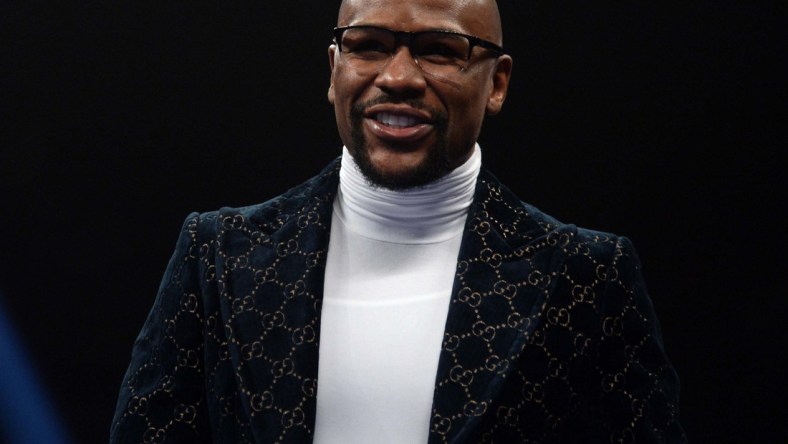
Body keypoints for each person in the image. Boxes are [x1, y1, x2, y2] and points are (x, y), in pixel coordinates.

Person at [111, 0, 686, 442]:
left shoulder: (588, 274)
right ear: (334, 69)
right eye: (368, 45)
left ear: (498, 83)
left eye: (440, 49)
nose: (400, 76)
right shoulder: (217, 254)